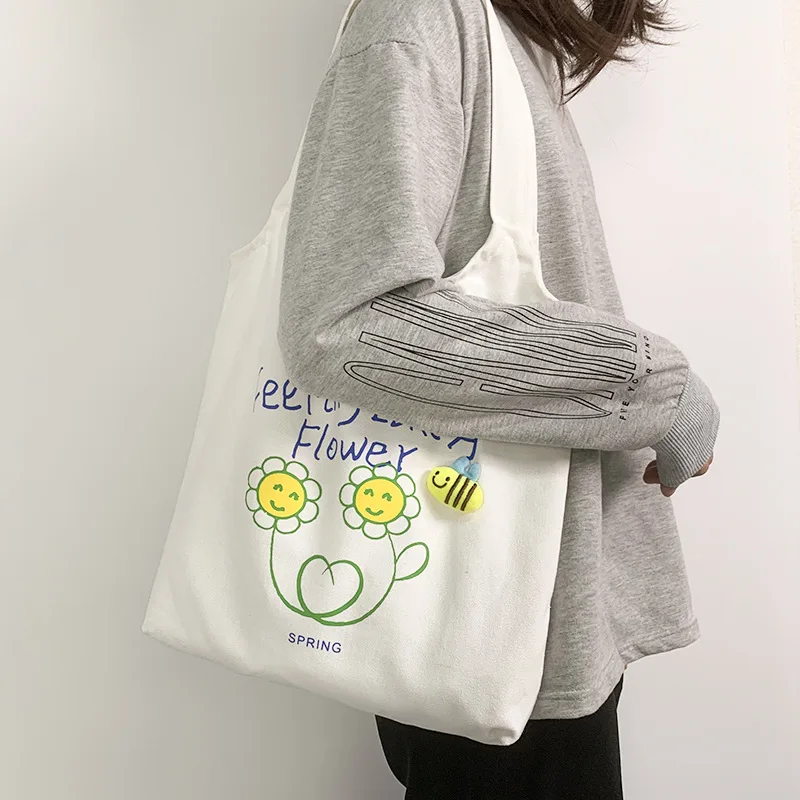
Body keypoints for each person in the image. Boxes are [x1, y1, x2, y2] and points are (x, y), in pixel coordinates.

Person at [278, 0, 719, 796]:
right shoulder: (422, 20)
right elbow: (343, 324)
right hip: (492, 617)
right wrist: (648, 384)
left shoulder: (501, 31)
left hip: (536, 603)